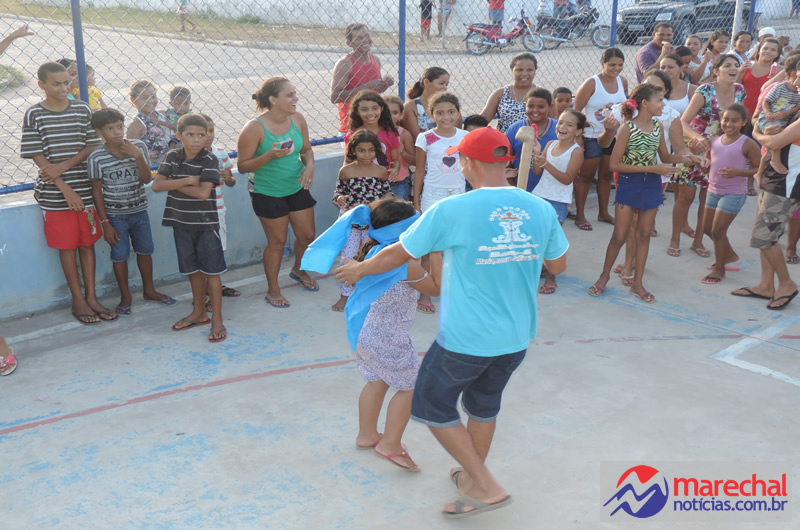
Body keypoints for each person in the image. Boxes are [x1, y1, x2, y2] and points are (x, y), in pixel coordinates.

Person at [335, 126, 569, 519]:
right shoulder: (540, 208)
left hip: (467, 337)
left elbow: (398, 252)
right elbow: (558, 265)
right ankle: (473, 483)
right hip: (515, 336)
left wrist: (360, 269)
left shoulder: (452, 210)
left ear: (466, 162)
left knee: (431, 405)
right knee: (482, 408)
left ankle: (486, 484)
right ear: (506, 163)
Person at [302, 197, 441, 471]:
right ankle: (390, 445)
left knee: (377, 381)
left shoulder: (372, 250)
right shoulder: (404, 264)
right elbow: (436, 287)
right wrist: (435, 250)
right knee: (411, 387)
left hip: (364, 332)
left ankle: (366, 435)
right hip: (387, 336)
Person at [588, 84, 706, 303]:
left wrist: (691, 158)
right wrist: (653, 168)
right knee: (620, 236)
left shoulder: (657, 126)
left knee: (644, 235)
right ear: (644, 103)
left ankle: (638, 283)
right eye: (659, 100)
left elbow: (666, 157)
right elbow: (614, 165)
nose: (663, 105)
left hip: (651, 184)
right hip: (629, 183)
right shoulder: (627, 128)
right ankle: (604, 277)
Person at [21, 62, 114, 325]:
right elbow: (37, 155)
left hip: (84, 189)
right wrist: (65, 189)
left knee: (87, 244)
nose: (64, 88)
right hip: (55, 194)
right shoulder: (34, 114)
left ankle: (92, 297)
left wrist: (63, 166)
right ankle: (78, 300)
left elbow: (91, 145)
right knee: (67, 247)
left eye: (67, 82)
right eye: (56, 84)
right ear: (41, 85)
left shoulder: (82, 109)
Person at [237, 77, 317, 308]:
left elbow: (306, 150)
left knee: (307, 236)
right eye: (290, 95)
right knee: (278, 242)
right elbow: (242, 166)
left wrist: (310, 166)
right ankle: (273, 290)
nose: (296, 98)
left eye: (295, 93)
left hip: (296, 186)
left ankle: (298, 270)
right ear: (273, 99)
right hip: (267, 191)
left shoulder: (298, 119)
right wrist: (268, 156)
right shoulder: (254, 128)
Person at [88, 108, 175, 315]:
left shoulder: (138, 147)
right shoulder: (96, 157)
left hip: (140, 211)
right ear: (99, 131)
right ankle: (125, 296)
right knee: (119, 256)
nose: (117, 132)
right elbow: (96, 191)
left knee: (145, 251)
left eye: (119, 126)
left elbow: (146, 179)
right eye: (110, 128)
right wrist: (105, 223)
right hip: (115, 216)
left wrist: (137, 157)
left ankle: (149, 290)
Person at [152, 114, 226, 342]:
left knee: (212, 272)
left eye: (201, 135)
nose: (196, 140)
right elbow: (157, 185)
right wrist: (188, 180)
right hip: (181, 223)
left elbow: (203, 193)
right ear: (179, 135)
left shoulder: (209, 160)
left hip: (205, 225)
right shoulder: (172, 157)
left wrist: (173, 183)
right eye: (190, 135)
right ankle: (199, 312)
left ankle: (217, 319)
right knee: (192, 270)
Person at [669, 54, 746, 258]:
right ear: (716, 71)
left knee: (708, 200)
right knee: (685, 197)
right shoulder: (705, 91)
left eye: (736, 65)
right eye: (727, 65)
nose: (733, 68)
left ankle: (698, 241)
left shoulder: (740, 90)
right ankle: (675, 239)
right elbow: (683, 122)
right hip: (695, 148)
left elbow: (739, 121)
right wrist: (700, 139)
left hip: (720, 151)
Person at [737, 101, 800, 309]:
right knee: (766, 236)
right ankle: (766, 285)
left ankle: (786, 284)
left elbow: (774, 142)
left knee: (764, 237)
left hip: (787, 184)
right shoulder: (795, 109)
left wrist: (756, 131)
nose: (796, 85)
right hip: (775, 179)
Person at [413, 92, 467, 315]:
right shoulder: (425, 138)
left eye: (451, 112)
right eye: (440, 112)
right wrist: (416, 201)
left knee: (456, 245)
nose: (446, 117)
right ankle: (426, 292)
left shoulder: (465, 137)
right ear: (431, 114)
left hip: (458, 195)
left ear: (458, 113)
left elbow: (472, 167)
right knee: (430, 246)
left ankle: (456, 290)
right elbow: (419, 172)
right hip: (432, 196)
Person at [331, 130, 392, 312]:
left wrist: (388, 199)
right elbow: (337, 193)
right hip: (351, 223)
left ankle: (368, 295)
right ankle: (345, 296)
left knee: (370, 258)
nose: (367, 155)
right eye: (361, 150)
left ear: (377, 151)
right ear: (353, 151)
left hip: (372, 223)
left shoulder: (381, 172)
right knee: (347, 258)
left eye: (371, 150)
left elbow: (386, 192)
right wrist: (339, 198)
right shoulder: (346, 171)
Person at [701, 105, 760, 285]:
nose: (729, 124)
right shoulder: (714, 141)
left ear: (744, 122)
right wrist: (699, 159)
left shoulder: (747, 143)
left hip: (734, 193)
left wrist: (739, 172)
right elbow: (706, 166)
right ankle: (729, 255)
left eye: (735, 121)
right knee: (707, 228)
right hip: (713, 190)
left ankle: (720, 269)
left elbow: (759, 169)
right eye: (726, 120)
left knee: (718, 230)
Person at [574, 47, 630, 229]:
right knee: (586, 176)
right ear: (602, 64)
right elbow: (575, 112)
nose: (616, 69)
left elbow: (624, 107)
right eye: (612, 65)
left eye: (620, 65)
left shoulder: (622, 81)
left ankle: (603, 212)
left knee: (606, 176)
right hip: (592, 136)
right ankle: (580, 215)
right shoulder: (592, 83)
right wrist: (580, 133)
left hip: (614, 136)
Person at [532, 109, 584, 294]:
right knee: (537, 237)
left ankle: (551, 278)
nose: (562, 127)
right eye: (561, 122)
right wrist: (537, 157)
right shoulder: (550, 144)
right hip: (539, 196)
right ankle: (542, 268)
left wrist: (546, 164)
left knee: (550, 239)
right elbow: (537, 172)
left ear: (578, 131)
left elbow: (567, 179)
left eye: (569, 125)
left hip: (558, 200)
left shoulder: (576, 152)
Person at [201, 113, 241, 300]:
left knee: (216, 250)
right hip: (197, 214)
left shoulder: (220, 153)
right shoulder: (190, 156)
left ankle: (213, 287)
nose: (209, 135)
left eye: (211, 130)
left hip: (218, 211)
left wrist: (228, 177)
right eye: (203, 132)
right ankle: (203, 291)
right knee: (201, 252)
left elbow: (231, 181)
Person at [330, 23, 394, 134]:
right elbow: (335, 97)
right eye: (359, 38)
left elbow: (375, 90)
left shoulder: (375, 60)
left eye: (367, 36)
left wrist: (384, 85)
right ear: (349, 43)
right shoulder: (344, 63)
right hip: (352, 127)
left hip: (373, 123)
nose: (365, 40)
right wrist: (367, 87)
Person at [506, 88, 558, 192]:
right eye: (530, 106)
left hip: (551, 191)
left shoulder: (558, 129)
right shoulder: (514, 130)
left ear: (550, 107)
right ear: (525, 106)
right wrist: (513, 186)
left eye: (541, 107)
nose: (535, 110)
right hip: (522, 189)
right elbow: (506, 165)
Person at [344, 90, 401, 183]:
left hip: (384, 182)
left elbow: (395, 160)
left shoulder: (390, 133)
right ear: (357, 111)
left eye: (375, 108)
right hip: (360, 183)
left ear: (381, 108)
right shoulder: (352, 136)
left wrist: (395, 169)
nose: (370, 113)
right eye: (364, 109)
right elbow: (347, 162)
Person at [756, 58, 800, 175]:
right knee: (774, 135)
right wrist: (767, 113)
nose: (797, 83)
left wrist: (756, 134)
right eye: (797, 77)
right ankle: (772, 161)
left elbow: (775, 142)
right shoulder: (779, 87)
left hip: (782, 120)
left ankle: (762, 171)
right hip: (771, 118)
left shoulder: (797, 94)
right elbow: (765, 102)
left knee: (771, 146)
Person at [480, 53, 538, 133]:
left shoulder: (542, 94)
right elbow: (482, 120)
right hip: (504, 139)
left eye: (529, 70)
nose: (524, 74)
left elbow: (552, 122)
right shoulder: (500, 94)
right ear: (512, 70)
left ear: (535, 71)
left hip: (534, 139)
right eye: (519, 70)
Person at [127, 80, 177, 165]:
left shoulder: (163, 114)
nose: (151, 101)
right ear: (133, 100)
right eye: (145, 98)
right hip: (155, 167)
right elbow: (131, 153)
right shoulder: (137, 123)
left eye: (153, 96)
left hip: (174, 162)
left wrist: (162, 123)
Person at [736, 38, 782, 130]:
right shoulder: (747, 65)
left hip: (763, 116)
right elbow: (736, 87)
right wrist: (740, 71)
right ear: (759, 49)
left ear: (777, 54)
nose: (768, 51)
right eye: (765, 48)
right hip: (742, 113)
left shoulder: (780, 71)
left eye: (773, 50)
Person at [400, 66, 450, 140]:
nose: (445, 88)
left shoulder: (449, 105)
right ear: (426, 82)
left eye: (446, 84)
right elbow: (418, 139)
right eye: (441, 83)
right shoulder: (411, 107)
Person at [383, 94, 415, 200]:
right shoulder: (375, 132)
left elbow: (414, 160)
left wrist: (403, 152)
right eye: (386, 112)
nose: (390, 116)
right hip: (378, 181)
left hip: (399, 181)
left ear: (401, 115)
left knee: (399, 208)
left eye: (395, 113)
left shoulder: (404, 134)